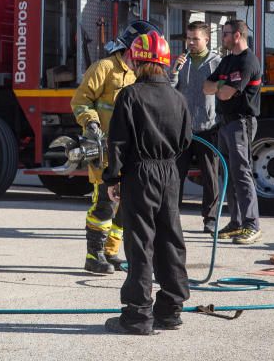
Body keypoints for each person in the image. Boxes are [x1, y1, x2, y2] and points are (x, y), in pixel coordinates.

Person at [103, 29, 192, 335]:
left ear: (138, 62)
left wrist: (113, 177)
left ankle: (138, 315)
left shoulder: (130, 95)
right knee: (171, 238)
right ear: (166, 63)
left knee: (141, 242)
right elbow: (186, 140)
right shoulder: (178, 97)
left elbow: (117, 141)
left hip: (139, 173)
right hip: (169, 173)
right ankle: (170, 310)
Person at [71, 19, 160, 275]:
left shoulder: (141, 72)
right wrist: (91, 124)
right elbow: (80, 101)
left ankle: (110, 252)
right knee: (105, 204)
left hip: (131, 152)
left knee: (125, 205)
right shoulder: (104, 68)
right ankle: (93, 254)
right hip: (104, 151)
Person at [204, 18, 263, 245]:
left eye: (226, 34)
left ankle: (252, 225)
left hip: (241, 123)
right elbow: (206, 87)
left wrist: (220, 87)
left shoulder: (247, 62)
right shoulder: (228, 61)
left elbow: (224, 94)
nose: (224, 38)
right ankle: (236, 222)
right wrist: (221, 86)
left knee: (242, 173)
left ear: (237, 35)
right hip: (225, 122)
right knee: (227, 173)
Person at [170, 21, 222, 234]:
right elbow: (169, 90)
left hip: (208, 128)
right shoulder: (183, 63)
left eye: (195, 39)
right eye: (188, 38)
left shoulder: (217, 62)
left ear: (206, 40)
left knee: (210, 177)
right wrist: (174, 71)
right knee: (174, 176)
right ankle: (171, 217)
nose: (190, 43)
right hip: (183, 129)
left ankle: (210, 220)